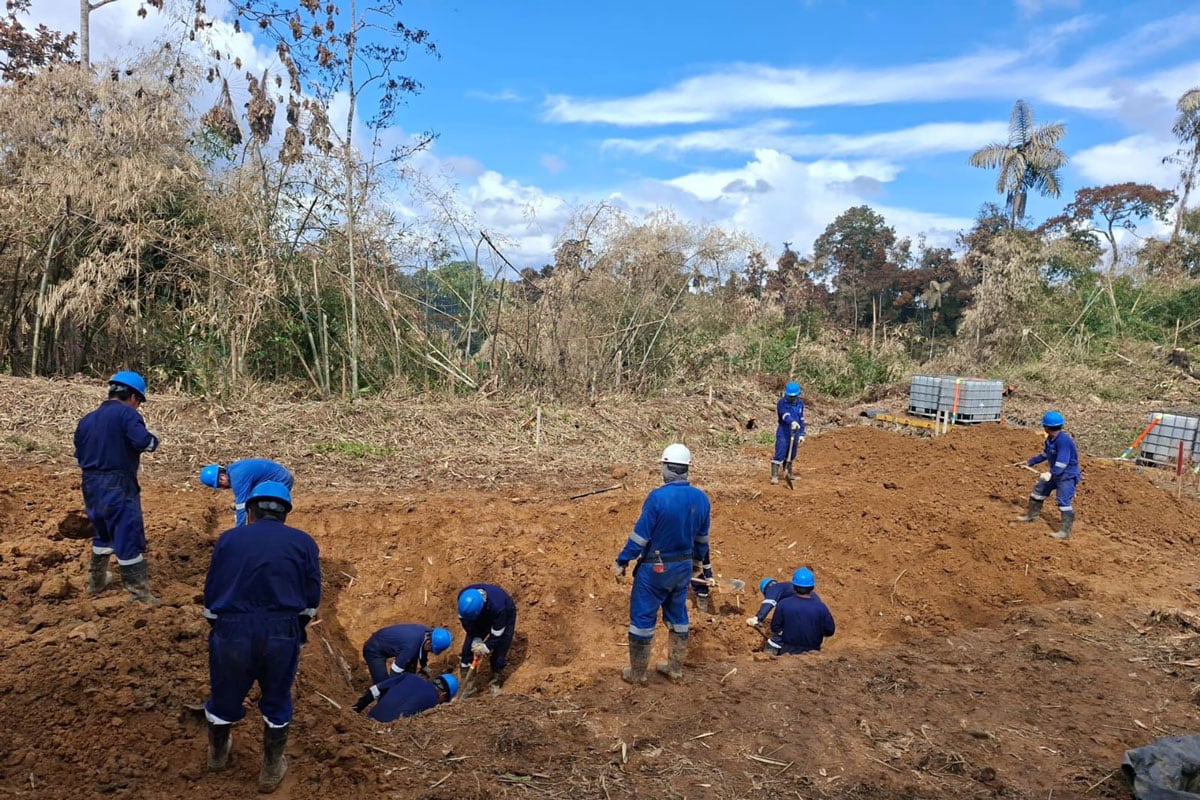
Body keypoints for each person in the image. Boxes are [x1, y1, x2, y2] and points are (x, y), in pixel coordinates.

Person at [202, 481, 321, 793]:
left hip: (233, 628)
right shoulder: (303, 542)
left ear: (251, 511)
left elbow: (213, 588)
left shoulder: (229, 539)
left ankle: (217, 755)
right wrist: (299, 627)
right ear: (284, 514)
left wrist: (217, 624)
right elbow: (311, 597)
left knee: (224, 694)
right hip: (281, 631)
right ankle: (270, 769)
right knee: (277, 698)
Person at [613, 443, 711, 684]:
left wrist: (623, 560)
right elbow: (702, 538)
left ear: (667, 467)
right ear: (687, 469)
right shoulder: (701, 498)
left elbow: (640, 536)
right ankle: (675, 669)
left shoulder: (658, 498)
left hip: (655, 569)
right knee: (678, 615)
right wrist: (698, 562)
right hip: (683, 568)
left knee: (643, 618)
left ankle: (637, 674)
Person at [73, 371, 161, 605]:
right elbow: (144, 442)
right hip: (117, 482)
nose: (138, 406)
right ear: (133, 397)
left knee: (103, 530)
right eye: (139, 402)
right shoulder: (127, 415)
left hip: (90, 483)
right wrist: (154, 440)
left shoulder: (87, 420)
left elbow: (79, 453)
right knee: (126, 532)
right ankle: (139, 593)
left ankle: (96, 581)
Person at [1018, 410, 1081, 540]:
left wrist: (1050, 474)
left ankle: (1065, 532)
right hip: (1055, 474)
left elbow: (1062, 463)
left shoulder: (1063, 441)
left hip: (1066, 476)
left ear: (1046, 427)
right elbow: (1046, 454)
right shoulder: (1051, 439)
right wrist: (1030, 462)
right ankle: (1032, 516)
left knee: (1063, 501)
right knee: (1038, 490)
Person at [456, 583, 517, 692]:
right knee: (467, 650)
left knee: (500, 648)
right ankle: (467, 688)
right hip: (478, 613)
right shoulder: (464, 601)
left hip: (506, 612)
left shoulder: (499, 608)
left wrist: (486, 647)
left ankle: (495, 680)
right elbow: (466, 622)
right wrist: (475, 636)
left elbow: (497, 633)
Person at [199, 459, 295, 527]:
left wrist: (240, 531)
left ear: (222, 478)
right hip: (272, 478)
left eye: (220, 485)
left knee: (265, 510)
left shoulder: (237, 478)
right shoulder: (234, 470)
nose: (223, 488)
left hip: (280, 480)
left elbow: (242, 507)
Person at [765, 567, 835, 655]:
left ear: (793, 586)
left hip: (787, 651)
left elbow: (775, 627)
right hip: (813, 652)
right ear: (812, 587)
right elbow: (829, 630)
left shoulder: (783, 604)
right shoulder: (821, 607)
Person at [361, 624, 453, 684]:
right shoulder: (411, 647)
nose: (431, 652)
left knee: (411, 668)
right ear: (429, 643)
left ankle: (407, 682)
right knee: (383, 685)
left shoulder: (428, 634)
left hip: (385, 640)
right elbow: (395, 672)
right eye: (432, 650)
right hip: (373, 650)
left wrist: (424, 666)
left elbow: (423, 650)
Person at [352, 673, 458, 722]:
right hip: (387, 733)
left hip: (369, 720)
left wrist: (357, 708)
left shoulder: (409, 676)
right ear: (443, 695)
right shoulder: (433, 705)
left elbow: (376, 689)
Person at [772, 382, 806, 485]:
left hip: (795, 431)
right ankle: (774, 476)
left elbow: (801, 418)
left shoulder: (800, 403)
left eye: (794, 396)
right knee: (780, 452)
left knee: (792, 454)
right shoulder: (782, 403)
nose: (792, 398)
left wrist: (801, 434)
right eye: (790, 396)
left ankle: (789, 473)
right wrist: (792, 421)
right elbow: (784, 415)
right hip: (784, 431)